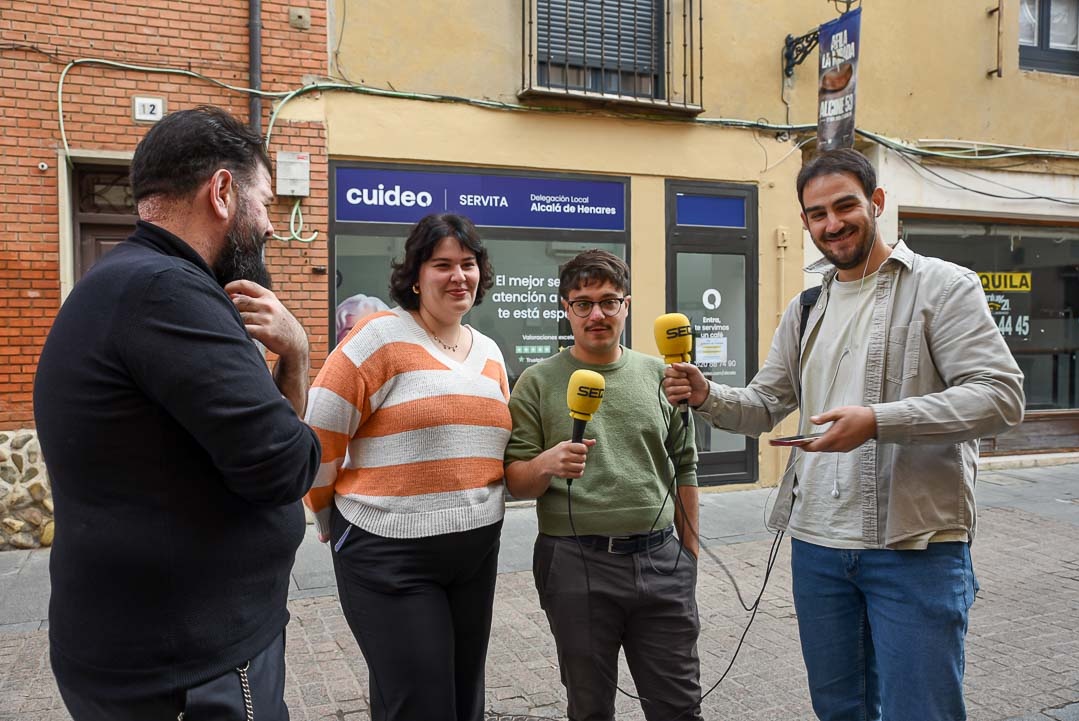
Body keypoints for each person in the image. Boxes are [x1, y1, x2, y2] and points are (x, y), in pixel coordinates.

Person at [664, 148, 1025, 721]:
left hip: (915, 548)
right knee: (839, 711)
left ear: (877, 202)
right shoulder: (805, 306)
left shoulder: (944, 287)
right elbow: (763, 406)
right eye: (816, 214)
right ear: (804, 222)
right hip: (818, 548)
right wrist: (708, 394)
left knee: (922, 712)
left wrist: (879, 421)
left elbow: (1001, 397)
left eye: (844, 206)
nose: (831, 224)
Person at [33, 106, 322, 720]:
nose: (272, 226)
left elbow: (253, 450)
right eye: (265, 201)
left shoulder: (123, 280)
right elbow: (285, 468)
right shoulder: (166, 291)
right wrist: (296, 353)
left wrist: (293, 355)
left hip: (155, 649)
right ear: (222, 191)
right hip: (190, 664)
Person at [303, 213, 511, 721]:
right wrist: (325, 512)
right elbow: (321, 429)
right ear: (416, 275)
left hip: (476, 553)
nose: (458, 275)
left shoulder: (489, 353)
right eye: (442, 264)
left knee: (463, 701)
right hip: (389, 557)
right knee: (420, 705)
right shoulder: (379, 338)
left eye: (468, 264)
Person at [504, 249, 702, 721]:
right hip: (575, 563)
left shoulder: (663, 377)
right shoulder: (536, 382)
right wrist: (548, 464)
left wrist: (688, 557)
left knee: (679, 706)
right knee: (590, 707)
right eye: (583, 303)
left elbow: (685, 467)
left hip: (661, 561)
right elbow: (515, 482)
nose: (597, 314)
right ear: (565, 309)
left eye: (609, 301)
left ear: (627, 306)